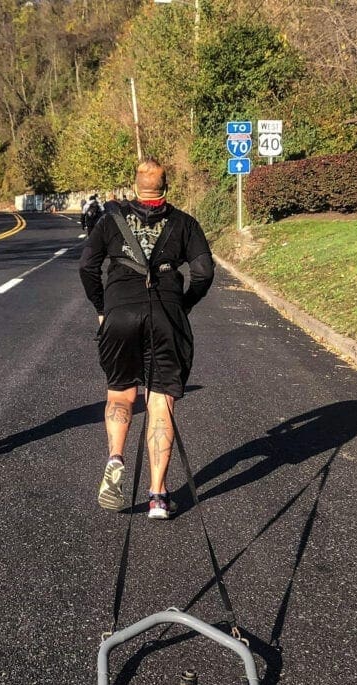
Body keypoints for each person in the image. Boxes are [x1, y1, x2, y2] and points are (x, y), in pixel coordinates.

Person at [79, 158, 215, 518]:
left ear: (135, 187)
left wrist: (102, 305)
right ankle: (157, 495)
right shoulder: (184, 223)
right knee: (160, 403)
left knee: (121, 393)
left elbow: (87, 266)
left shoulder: (110, 221)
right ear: (166, 188)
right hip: (166, 314)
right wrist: (183, 303)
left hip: (120, 312)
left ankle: (115, 457)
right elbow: (204, 272)